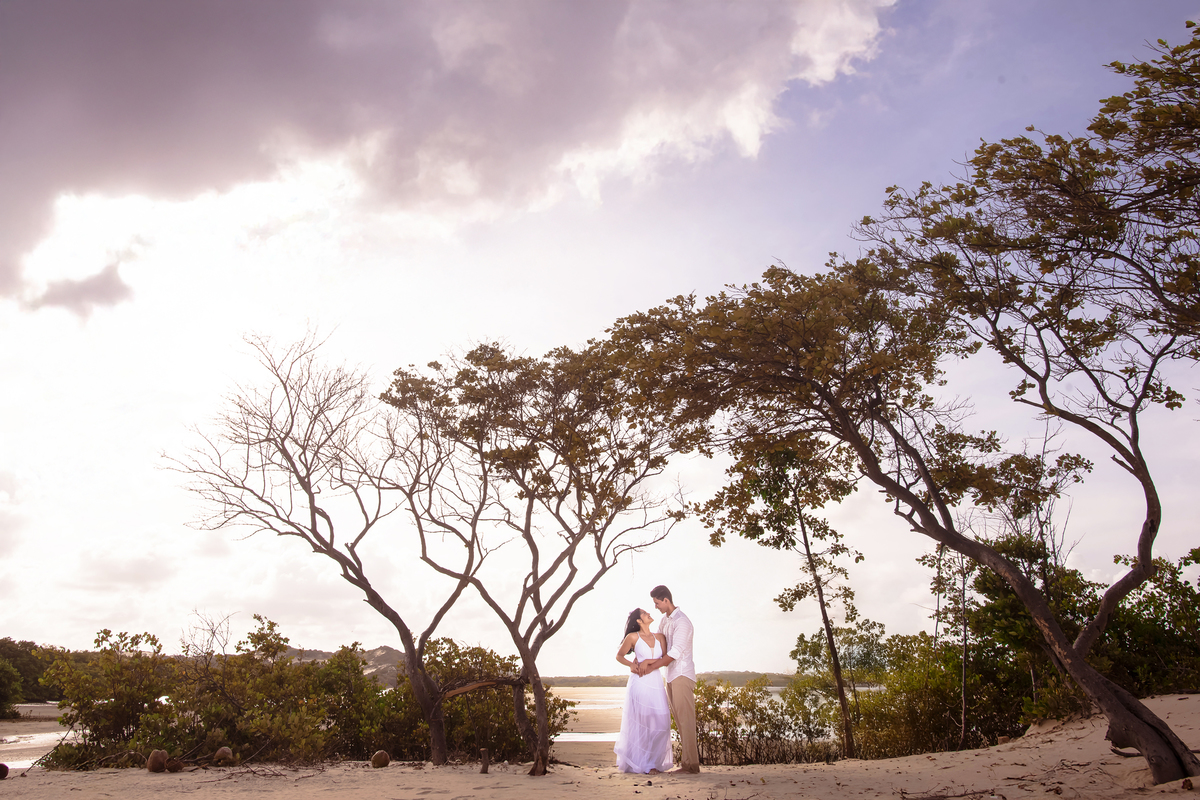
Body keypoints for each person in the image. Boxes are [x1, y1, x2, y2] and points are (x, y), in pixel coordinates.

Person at [635, 585, 699, 773]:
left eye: (657, 603)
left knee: (686, 721)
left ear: (666, 600)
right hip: (670, 676)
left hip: (682, 674)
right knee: (679, 721)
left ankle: (691, 765)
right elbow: (658, 644)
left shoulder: (682, 622)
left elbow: (675, 653)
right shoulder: (665, 621)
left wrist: (651, 666)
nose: (655, 607)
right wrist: (641, 654)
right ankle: (687, 764)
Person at [613, 608, 674, 774]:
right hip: (639, 682)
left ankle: (654, 761)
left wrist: (647, 661)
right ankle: (646, 764)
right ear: (639, 621)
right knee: (643, 723)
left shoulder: (660, 637)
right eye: (645, 613)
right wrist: (631, 665)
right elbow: (619, 656)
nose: (649, 614)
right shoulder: (633, 637)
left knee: (662, 722)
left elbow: (666, 659)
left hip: (656, 683)